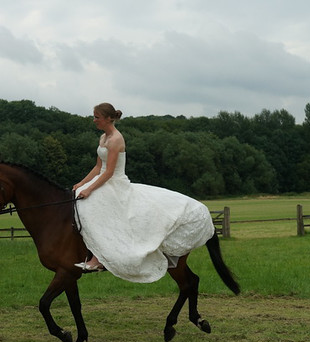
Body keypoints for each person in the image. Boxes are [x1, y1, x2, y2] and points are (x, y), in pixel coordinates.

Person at [72, 103, 215, 283]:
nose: (94, 120)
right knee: (79, 204)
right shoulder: (103, 138)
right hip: (102, 179)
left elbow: (109, 172)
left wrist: (90, 189)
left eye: (97, 117)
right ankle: (87, 252)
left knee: (96, 209)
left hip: (114, 182)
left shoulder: (116, 139)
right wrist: (81, 183)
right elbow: (98, 166)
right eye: (94, 116)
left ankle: (99, 259)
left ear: (108, 118)